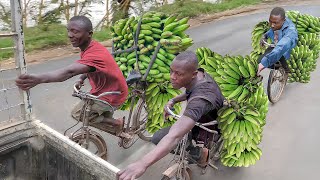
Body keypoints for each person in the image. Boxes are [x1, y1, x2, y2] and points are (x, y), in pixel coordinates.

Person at [118, 51, 224, 180]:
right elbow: (190, 92)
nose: (172, 77)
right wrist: (174, 100)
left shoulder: (201, 99)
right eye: (171, 71)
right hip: (199, 117)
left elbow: (175, 136)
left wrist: (142, 163)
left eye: (178, 74)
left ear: (193, 74)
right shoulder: (198, 77)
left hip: (209, 125)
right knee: (158, 137)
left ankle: (201, 155)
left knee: (168, 138)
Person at [15, 16, 128, 135]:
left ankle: (117, 124)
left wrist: (38, 79)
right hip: (105, 89)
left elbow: (69, 72)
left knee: (78, 114)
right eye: (68, 30)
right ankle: (113, 124)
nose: (69, 35)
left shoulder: (95, 53)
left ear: (89, 34)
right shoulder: (89, 47)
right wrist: (81, 78)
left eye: (75, 31)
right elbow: (89, 67)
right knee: (89, 113)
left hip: (113, 94)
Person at [257, 7, 298, 77]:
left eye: (275, 23)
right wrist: (265, 35)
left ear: (284, 20)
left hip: (286, 51)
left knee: (265, 61)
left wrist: (263, 64)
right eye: (270, 21)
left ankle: (287, 69)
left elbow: (281, 47)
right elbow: (272, 30)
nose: (272, 25)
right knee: (260, 59)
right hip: (278, 45)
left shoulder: (291, 32)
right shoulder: (278, 24)